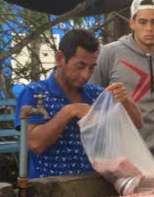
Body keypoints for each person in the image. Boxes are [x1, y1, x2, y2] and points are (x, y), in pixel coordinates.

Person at [15, 28, 141, 178]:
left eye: (92, 68)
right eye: (80, 66)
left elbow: (136, 124)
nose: (86, 75)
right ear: (60, 58)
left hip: (93, 187)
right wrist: (68, 112)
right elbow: (35, 144)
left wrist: (125, 100)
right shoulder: (34, 93)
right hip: (48, 190)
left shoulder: (96, 94)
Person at [91, 0, 154, 165]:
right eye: (142, 22)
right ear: (132, 23)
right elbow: (93, 100)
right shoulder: (109, 54)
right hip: (117, 157)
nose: (149, 28)